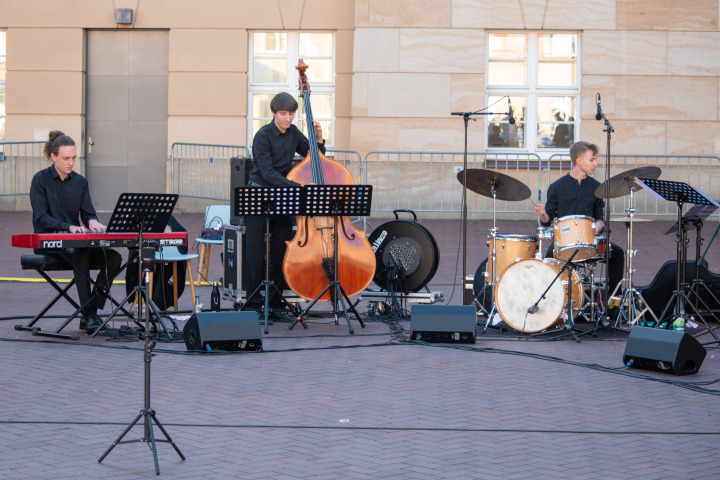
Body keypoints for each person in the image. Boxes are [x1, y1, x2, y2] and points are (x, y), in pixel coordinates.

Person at [30, 131, 122, 333]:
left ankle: (92, 309)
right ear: (53, 157)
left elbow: (88, 214)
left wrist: (93, 222)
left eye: (73, 158)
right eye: (65, 158)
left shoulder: (80, 182)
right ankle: (88, 316)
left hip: (75, 243)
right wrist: (69, 227)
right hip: (49, 243)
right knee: (82, 253)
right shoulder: (40, 180)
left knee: (114, 257)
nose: (70, 163)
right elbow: (41, 218)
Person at [244, 92, 325, 319]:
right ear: (273, 113)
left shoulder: (293, 133)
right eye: (283, 114)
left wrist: (318, 139)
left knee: (281, 247)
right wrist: (295, 186)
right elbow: (268, 173)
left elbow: (315, 158)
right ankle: (253, 303)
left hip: (282, 194)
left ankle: (276, 300)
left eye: (291, 114)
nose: (288, 118)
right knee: (255, 251)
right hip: (259, 194)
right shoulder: (263, 136)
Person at [534, 141, 624, 314]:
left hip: (591, 242)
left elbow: (600, 218)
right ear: (579, 161)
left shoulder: (597, 187)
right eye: (592, 160)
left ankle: (613, 305)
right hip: (565, 243)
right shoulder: (557, 187)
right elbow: (547, 220)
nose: (595, 164)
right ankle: (550, 305)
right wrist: (543, 214)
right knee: (549, 258)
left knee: (617, 253)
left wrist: (598, 225)